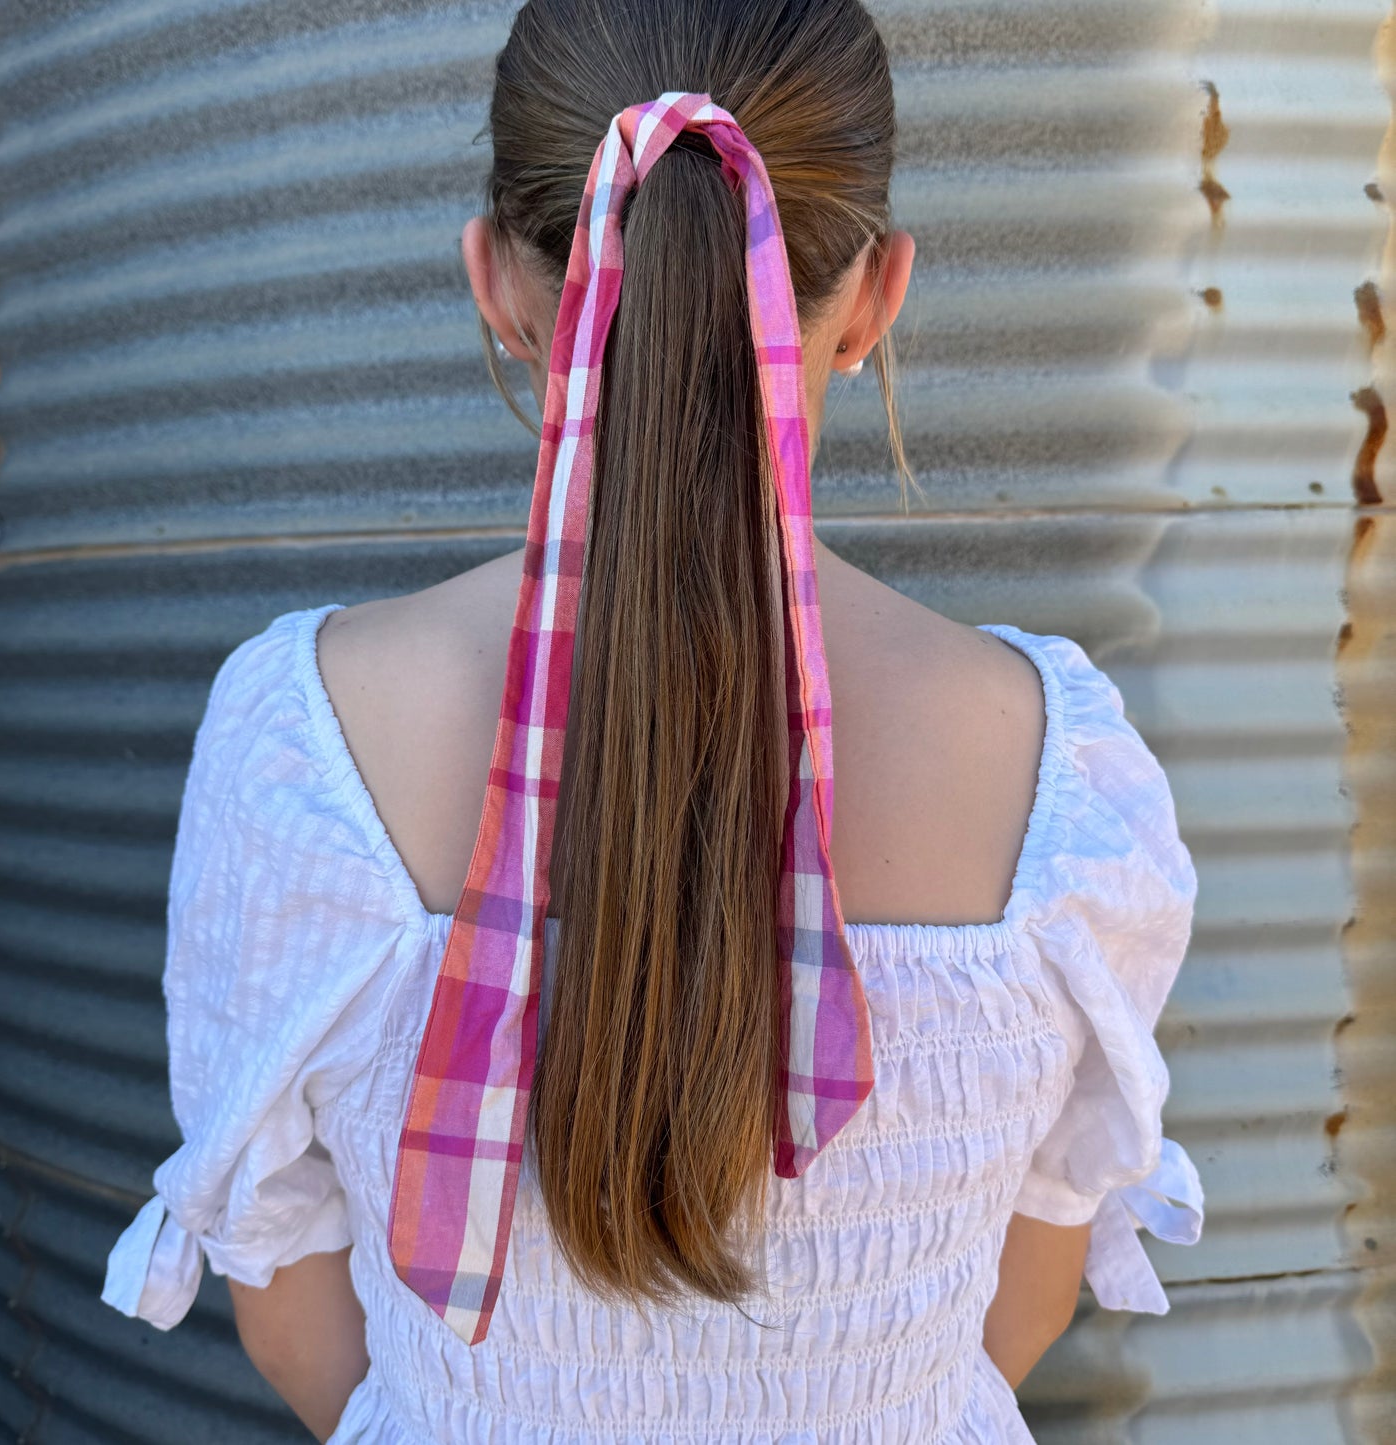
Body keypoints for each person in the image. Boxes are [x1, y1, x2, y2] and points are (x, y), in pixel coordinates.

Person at [101, 1, 1204, 1440]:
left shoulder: (299, 741)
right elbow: (1021, 1302)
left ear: (494, 281)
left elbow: (292, 1311)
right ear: (877, 296)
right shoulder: (1058, 766)